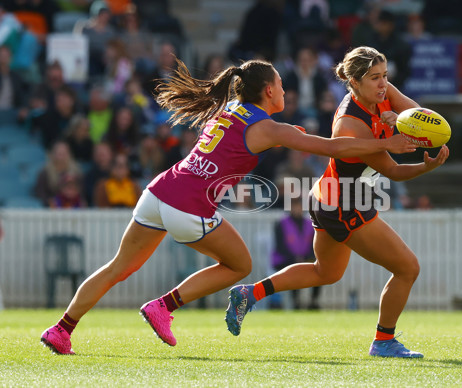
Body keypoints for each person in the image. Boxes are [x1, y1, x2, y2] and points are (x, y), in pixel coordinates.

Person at [40, 55, 418, 355]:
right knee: (240, 265)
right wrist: (389, 144)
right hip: (189, 206)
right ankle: (164, 306)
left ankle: (62, 329)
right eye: (282, 85)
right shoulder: (269, 127)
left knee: (117, 268)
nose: (285, 91)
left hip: (159, 192)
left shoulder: (230, 109)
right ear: (269, 91)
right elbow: (334, 148)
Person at [225, 46, 449, 359]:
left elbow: (418, 116)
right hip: (345, 204)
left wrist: (401, 120)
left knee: (325, 273)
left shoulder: (382, 92)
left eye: (385, 76)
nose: (383, 84)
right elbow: (393, 170)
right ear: (355, 82)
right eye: (375, 78)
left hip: (329, 197)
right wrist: (425, 165)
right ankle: (384, 341)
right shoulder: (350, 123)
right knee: (407, 268)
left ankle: (250, 293)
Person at [270, 197, 320, 310]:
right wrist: (295, 258)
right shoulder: (281, 224)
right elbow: (280, 247)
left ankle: (314, 300)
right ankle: (295, 301)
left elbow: (314, 245)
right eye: (295, 206)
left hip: (305, 258)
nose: (297, 209)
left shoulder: (310, 224)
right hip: (285, 259)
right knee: (294, 270)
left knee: (320, 270)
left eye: (299, 206)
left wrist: (306, 257)